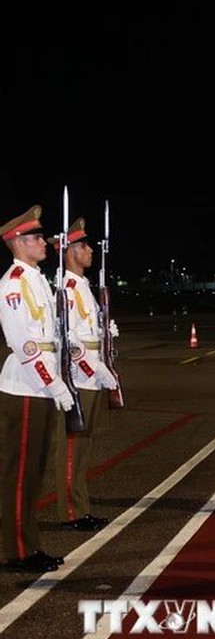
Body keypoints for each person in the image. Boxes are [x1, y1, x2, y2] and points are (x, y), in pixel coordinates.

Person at [0, 206, 71, 573]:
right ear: (17, 242)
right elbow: (23, 343)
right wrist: (53, 381)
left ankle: (28, 545)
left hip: (39, 386)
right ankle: (18, 551)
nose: (44, 241)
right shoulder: (14, 282)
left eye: (42, 236)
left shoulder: (37, 279)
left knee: (33, 473)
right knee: (19, 473)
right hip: (26, 385)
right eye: (36, 237)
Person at [48, 218, 118, 532]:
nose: (91, 250)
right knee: (72, 445)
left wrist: (106, 334)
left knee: (84, 444)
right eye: (84, 246)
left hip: (90, 373)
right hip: (78, 375)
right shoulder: (66, 286)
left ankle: (81, 506)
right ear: (70, 251)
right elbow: (68, 338)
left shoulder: (83, 286)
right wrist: (95, 367)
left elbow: (87, 331)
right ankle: (70, 512)